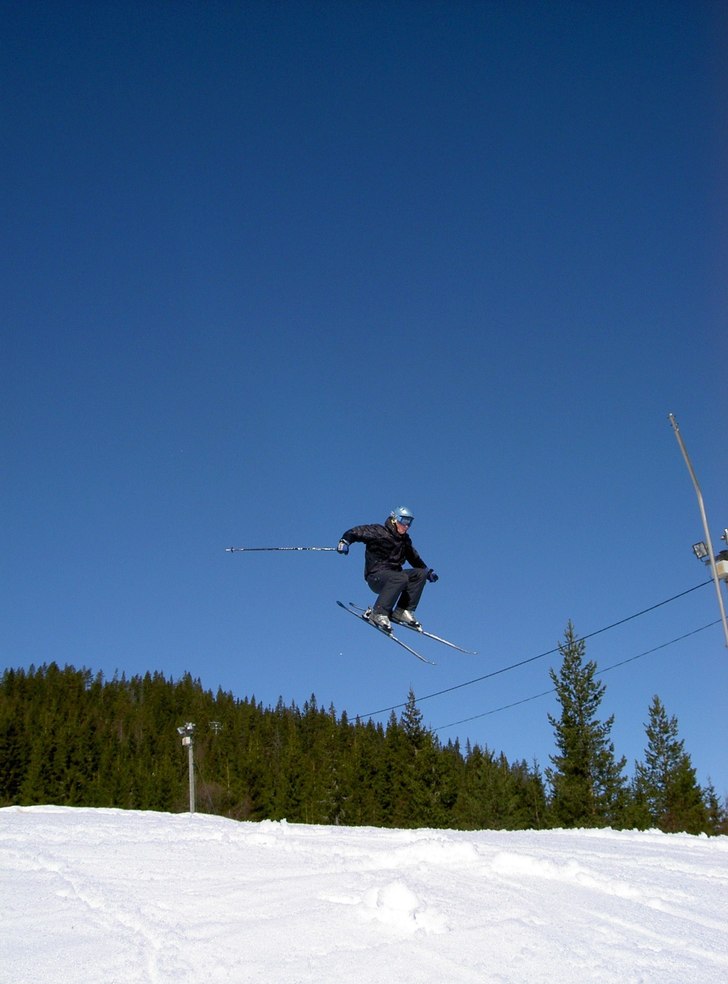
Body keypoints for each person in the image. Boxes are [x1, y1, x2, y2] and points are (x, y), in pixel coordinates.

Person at [337, 506, 438, 631]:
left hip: (395, 578)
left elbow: (414, 558)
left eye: (410, 522)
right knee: (400, 577)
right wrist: (344, 542)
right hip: (376, 576)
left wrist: (427, 572)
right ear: (394, 519)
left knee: (420, 574)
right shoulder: (378, 531)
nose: (406, 526)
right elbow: (356, 532)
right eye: (404, 521)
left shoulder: (404, 541)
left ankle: (402, 611)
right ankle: (378, 613)